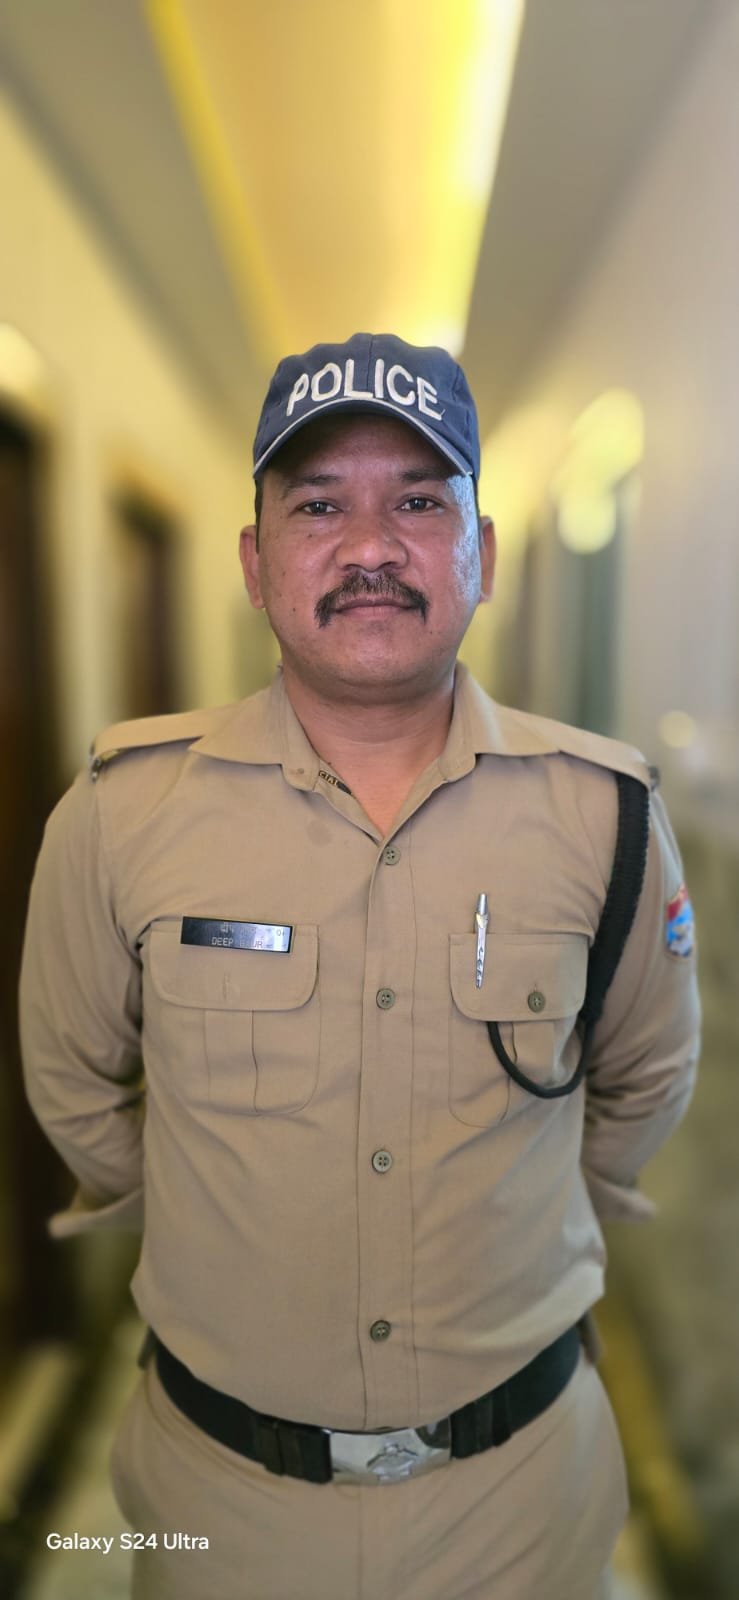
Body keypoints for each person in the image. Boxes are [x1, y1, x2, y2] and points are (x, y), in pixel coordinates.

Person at [19, 332, 700, 1600]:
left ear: (480, 553)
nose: (370, 546)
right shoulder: (121, 811)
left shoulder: (602, 813)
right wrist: (225, 1221)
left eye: (419, 504)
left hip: (520, 1498)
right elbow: (73, 1083)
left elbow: (645, 1078)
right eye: (320, 505)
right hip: (218, 1498)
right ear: (254, 559)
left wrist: (519, 1216)